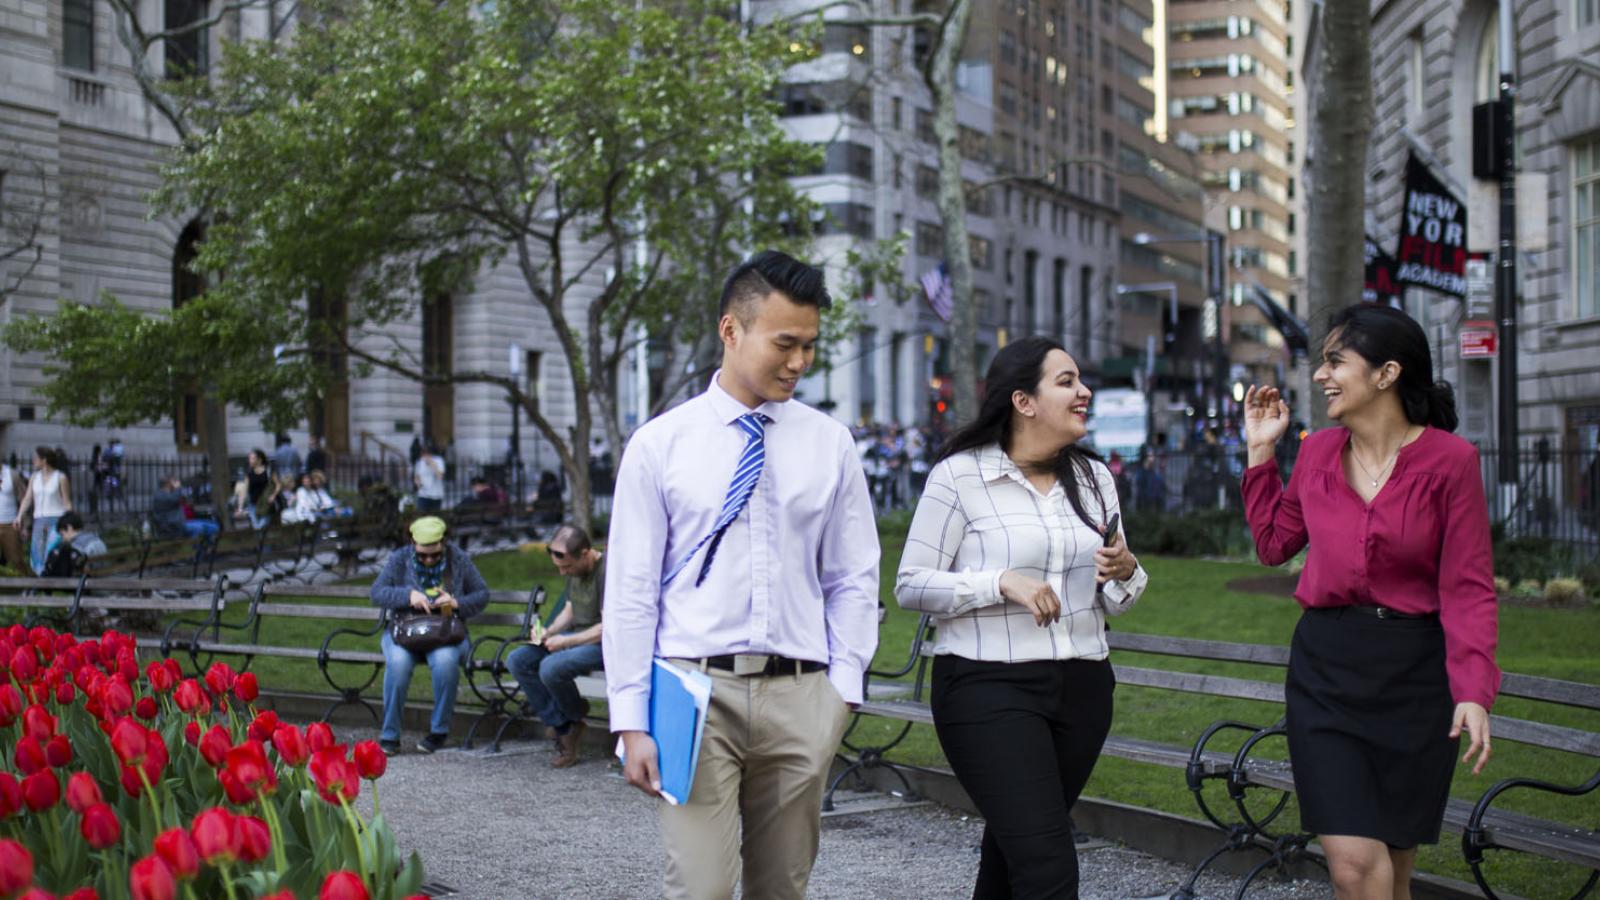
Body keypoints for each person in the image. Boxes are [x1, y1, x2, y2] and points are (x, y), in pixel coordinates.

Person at [603, 250, 880, 900]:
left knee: (781, 889)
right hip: (694, 695)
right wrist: (630, 718)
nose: (799, 362)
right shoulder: (659, 445)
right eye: (785, 343)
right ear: (731, 330)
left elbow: (853, 577)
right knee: (698, 887)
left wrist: (840, 693)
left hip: (801, 696)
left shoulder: (829, 443)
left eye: (810, 346)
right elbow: (631, 592)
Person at [1241, 303, 1498, 900]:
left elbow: (1468, 588)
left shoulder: (1450, 462)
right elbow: (1275, 545)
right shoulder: (1317, 452)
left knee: (1392, 871)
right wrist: (1260, 454)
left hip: (1413, 680)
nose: (1321, 376)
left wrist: (1473, 690)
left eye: (1335, 362)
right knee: (1355, 866)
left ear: (1386, 373)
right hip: (1326, 674)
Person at [895, 337, 1146, 900]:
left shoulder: (1095, 480)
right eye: (1065, 381)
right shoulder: (959, 477)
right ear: (1023, 401)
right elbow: (910, 585)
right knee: (1047, 863)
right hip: (987, 687)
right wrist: (999, 582)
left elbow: (1118, 599)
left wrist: (1127, 570)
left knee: (1015, 853)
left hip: (1083, 687)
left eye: (1080, 381)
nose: (1083, 392)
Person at [370, 516, 489, 755]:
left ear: (444, 543)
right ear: (413, 544)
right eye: (422, 555)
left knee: (446, 662)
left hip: (446, 633)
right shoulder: (399, 559)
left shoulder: (458, 559)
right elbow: (377, 593)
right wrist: (408, 596)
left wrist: (456, 603)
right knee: (398, 663)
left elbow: (482, 594)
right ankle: (390, 734)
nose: (428, 560)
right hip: (405, 632)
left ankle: (439, 731)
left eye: (434, 555)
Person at [505, 524, 605, 768]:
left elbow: (608, 628)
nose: (563, 573)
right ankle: (565, 724)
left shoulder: (607, 572)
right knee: (518, 660)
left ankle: (572, 719)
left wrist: (565, 641)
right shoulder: (575, 571)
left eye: (567, 567)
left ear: (585, 553)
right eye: (559, 567)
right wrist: (549, 632)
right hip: (576, 637)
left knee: (550, 667)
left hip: (602, 643)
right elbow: (570, 609)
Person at [14, 447, 72, 575]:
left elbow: (66, 502)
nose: (33, 461)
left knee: (51, 552)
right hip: (39, 520)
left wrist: (70, 522)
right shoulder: (34, 477)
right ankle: (43, 583)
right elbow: (28, 498)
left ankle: (51, 582)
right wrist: (19, 516)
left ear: (44, 460)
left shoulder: (60, 477)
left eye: (36, 458)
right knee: (37, 555)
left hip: (56, 520)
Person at [152, 475, 219, 541]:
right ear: (169, 484)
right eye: (174, 481)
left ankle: (205, 549)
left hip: (178, 525)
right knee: (201, 529)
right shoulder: (159, 496)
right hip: (172, 528)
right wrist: (178, 488)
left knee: (214, 526)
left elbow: (177, 499)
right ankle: (197, 549)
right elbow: (174, 499)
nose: (176, 483)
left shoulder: (167, 494)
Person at [41, 511, 106, 577]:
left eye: (62, 534)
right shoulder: (95, 538)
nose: (63, 538)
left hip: (88, 580)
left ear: (69, 528)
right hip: (103, 574)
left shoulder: (75, 546)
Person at [233, 449, 276, 530]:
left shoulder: (268, 471)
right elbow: (244, 491)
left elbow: (277, 485)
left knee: (261, 527)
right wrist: (240, 507)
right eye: (249, 458)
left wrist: (273, 495)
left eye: (252, 458)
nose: (250, 461)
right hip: (253, 506)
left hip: (266, 506)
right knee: (257, 528)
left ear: (259, 460)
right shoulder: (249, 473)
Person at [0, 459, 25, 572]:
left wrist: (25, 524)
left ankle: (25, 587)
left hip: (10, 523)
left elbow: (23, 499)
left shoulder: (12, 474)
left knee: (15, 559)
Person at [413, 444, 445, 513]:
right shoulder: (419, 463)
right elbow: (416, 476)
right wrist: (418, 483)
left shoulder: (438, 461)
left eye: (427, 454)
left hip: (436, 495)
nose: (425, 457)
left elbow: (440, 476)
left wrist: (432, 464)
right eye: (423, 455)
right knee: (422, 516)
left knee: (434, 517)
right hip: (423, 495)